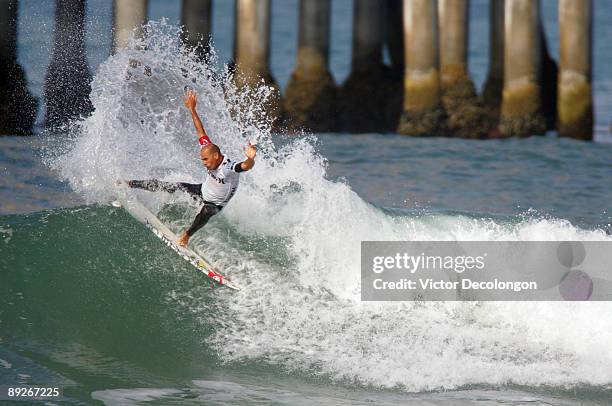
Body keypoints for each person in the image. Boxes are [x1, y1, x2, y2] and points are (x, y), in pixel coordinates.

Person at [120, 89, 256, 247]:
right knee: (172, 185)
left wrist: (250, 158)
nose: (203, 162)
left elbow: (244, 166)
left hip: (215, 205)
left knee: (205, 212)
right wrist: (192, 109)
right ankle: (131, 183)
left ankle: (186, 236)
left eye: (205, 160)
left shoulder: (227, 167)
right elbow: (200, 132)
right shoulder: (209, 150)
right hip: (202, 190)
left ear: (216, 157)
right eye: (202, 159)